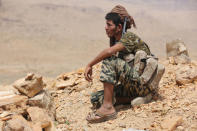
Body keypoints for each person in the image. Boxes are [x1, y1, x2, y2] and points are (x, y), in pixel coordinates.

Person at [84, 5, 163, 123]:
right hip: (131, 85)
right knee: (95, 98)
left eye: (109, 25)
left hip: (142, 85)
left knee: (109, 60)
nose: (106, 28)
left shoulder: (129, 37)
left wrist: (90, 64)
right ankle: (135, 98)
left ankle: (108, 108)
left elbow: (109, 52)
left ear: (119, 26)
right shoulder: (117, 41)